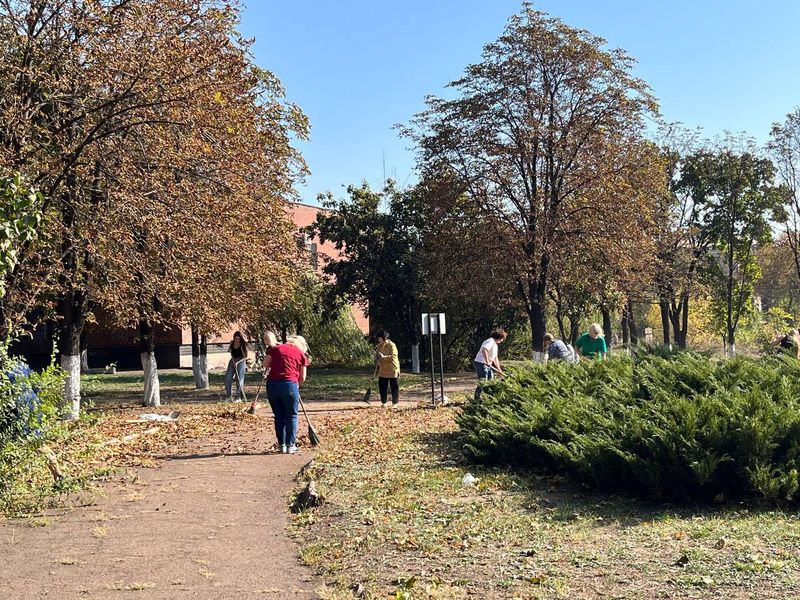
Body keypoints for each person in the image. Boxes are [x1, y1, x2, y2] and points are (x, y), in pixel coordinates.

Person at [263, 335, 309, 454]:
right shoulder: (300, 354)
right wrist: (297, 384)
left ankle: (281, 445)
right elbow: (302, 376)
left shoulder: (276, 349)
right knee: (291, 416)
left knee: (279, 416)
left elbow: (265, 364)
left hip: (272, 385)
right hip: (289, 385)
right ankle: (290, 445)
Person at [473, 328, 506, 400]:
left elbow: (495, 358)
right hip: (481, 363)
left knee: (491, 380)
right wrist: (487, 361)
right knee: (483, 380)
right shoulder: (490, 341)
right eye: (502, 338)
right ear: (499, 337)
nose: (502, 340)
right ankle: (477, 398)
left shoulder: (495, 345)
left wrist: (499, 369)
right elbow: (484, 349)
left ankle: (489, 397)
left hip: (487, 365)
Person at [375, 331, 400, 407]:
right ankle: (384, 402)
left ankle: (395, 403)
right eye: (378, 338)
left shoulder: (392, 345)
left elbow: (393, 356)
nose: (379, 340)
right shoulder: (379, 346)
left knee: (394, 387)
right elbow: (376, 355)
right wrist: (376, 358)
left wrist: (384, 357)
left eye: (380, 338)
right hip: (383, 370)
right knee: (382, 386)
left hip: (392, 369)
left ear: (384, 338)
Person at [224, 331, 248, 402]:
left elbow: (245, 357)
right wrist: (230, 349)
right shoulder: (232, 343)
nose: (237, 340)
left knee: (239, 379)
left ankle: (238, 397)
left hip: (241, 362)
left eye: (238, 339)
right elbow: (230, 351)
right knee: (227, 378)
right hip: (233, 360)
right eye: (236, 338)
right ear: (234, 338)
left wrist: (238, 362)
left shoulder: (242, 345)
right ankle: (229, 396)